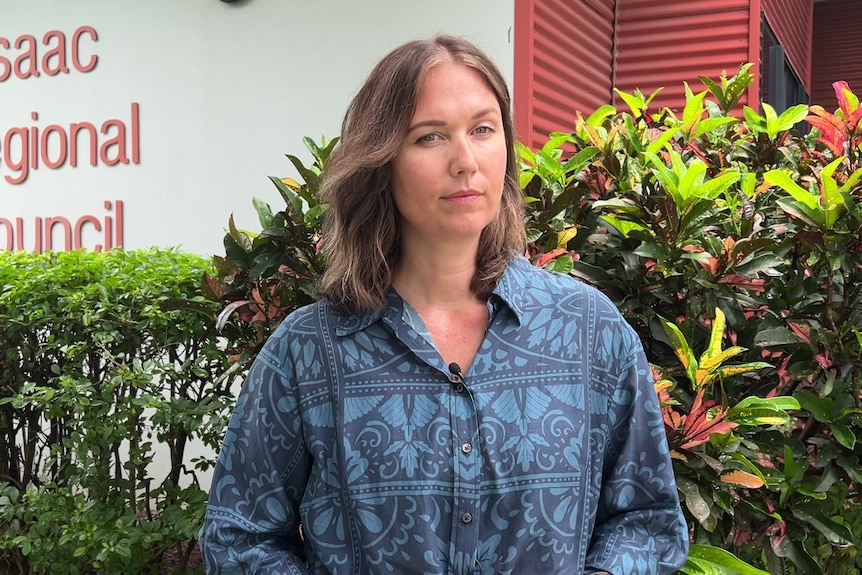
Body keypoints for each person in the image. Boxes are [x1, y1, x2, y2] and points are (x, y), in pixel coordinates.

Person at [199, 34, 689, 574]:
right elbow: (239, 536)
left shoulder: (589, 333)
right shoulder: (309, 351)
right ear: (380, 161)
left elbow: (645, 522)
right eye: (430, 137)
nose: (465, 161)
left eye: (483, 129)